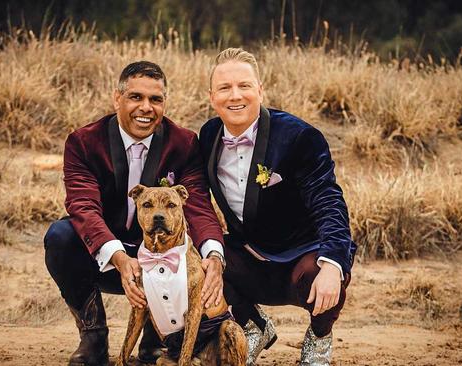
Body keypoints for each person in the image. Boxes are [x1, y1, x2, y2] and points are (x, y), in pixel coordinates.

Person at [44, 61, 226, 366]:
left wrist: (215, 256)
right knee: (61, 236)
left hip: (165, 258)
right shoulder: (84, 142)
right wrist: (118, 257)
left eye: (156, 100)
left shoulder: (183, 143)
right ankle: (94, 338)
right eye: (136, 97)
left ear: (165, 103)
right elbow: (83, 206)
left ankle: (157, 342)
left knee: (208, 250)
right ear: (118, 99)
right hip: (111, 258)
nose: (146, 108)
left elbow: (197, 206)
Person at [199, 48, 356, 366]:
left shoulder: (299, 137)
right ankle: (253, 328)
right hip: (252, 258)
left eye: (244, 85)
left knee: (321, 271)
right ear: (211, 96)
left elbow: (328, 200)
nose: (235, 96)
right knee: (200, 259)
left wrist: (333, 265)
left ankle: (319, 339)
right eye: (225, 88)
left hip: (303, 258)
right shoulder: (208, 136)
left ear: (260, 89)